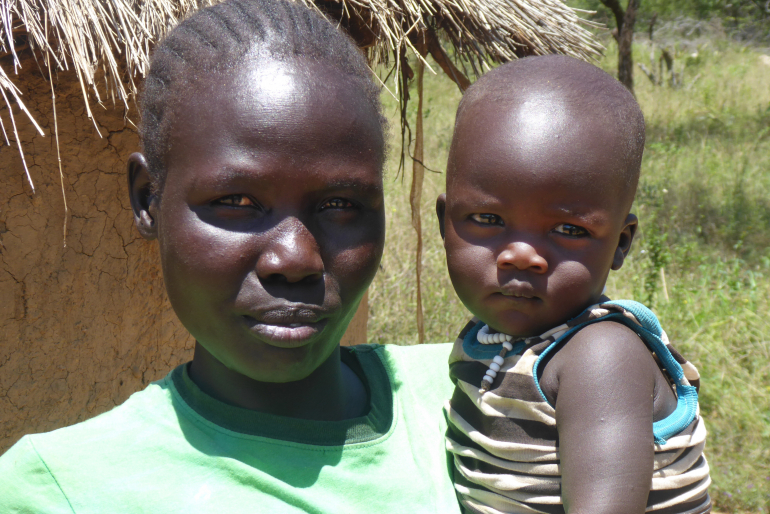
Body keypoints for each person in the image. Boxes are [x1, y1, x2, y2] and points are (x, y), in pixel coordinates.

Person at [0, 1, 462, 512]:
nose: (296, 258)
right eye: (237, 203)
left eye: (340, 205)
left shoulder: (479, 396)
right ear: (148, 199)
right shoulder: (62, 490)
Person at [436, 56, 711, 514]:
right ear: (446, 224)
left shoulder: (599, 356)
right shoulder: (489, 338)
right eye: (488, 219)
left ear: (620, 244)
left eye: (568, 230)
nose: (522, 256)